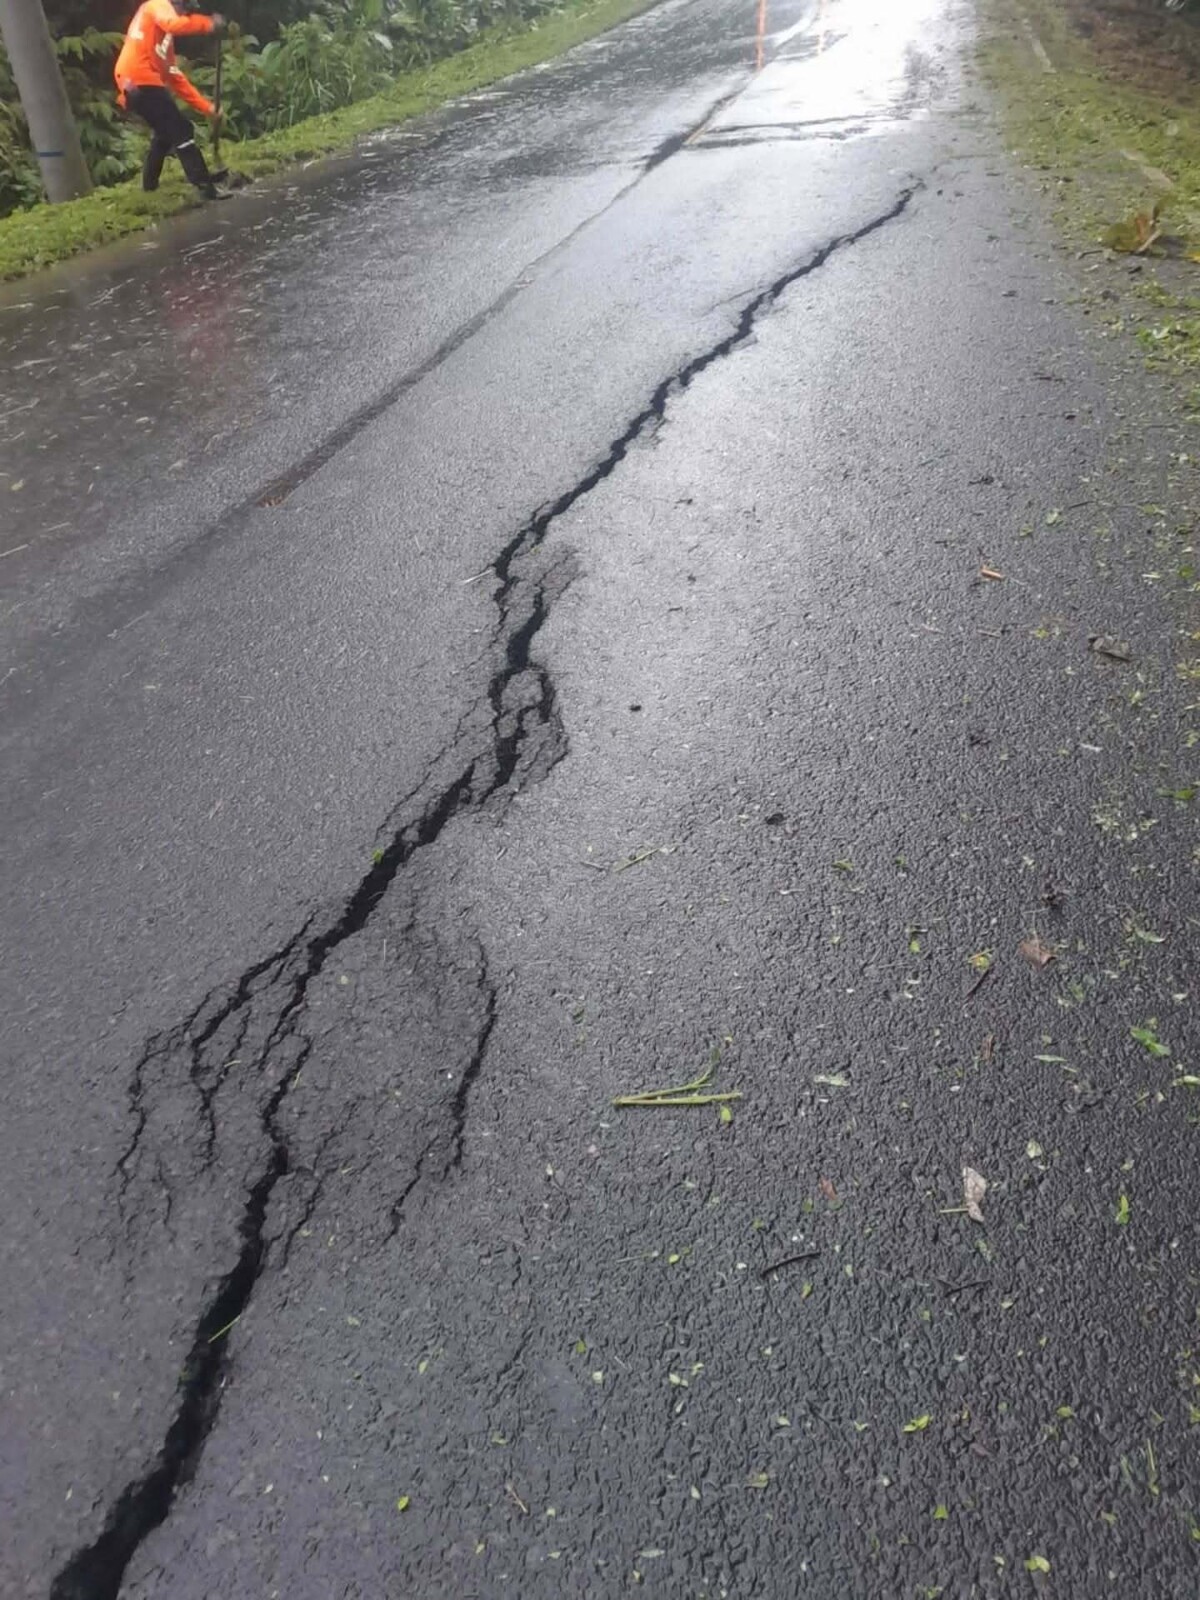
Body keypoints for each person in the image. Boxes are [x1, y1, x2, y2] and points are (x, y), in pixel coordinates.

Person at [114, 0, 228, 200]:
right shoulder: (157, 5)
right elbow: (173, 23)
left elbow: (175, 77)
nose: (184, 14)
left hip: (134, 81)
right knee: (181, 129)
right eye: (184, 9)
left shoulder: (163, 39)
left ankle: (149, 187)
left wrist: (208, 108)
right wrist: (208, 24)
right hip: (139, 79)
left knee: (165, 132)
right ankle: (204, 186)